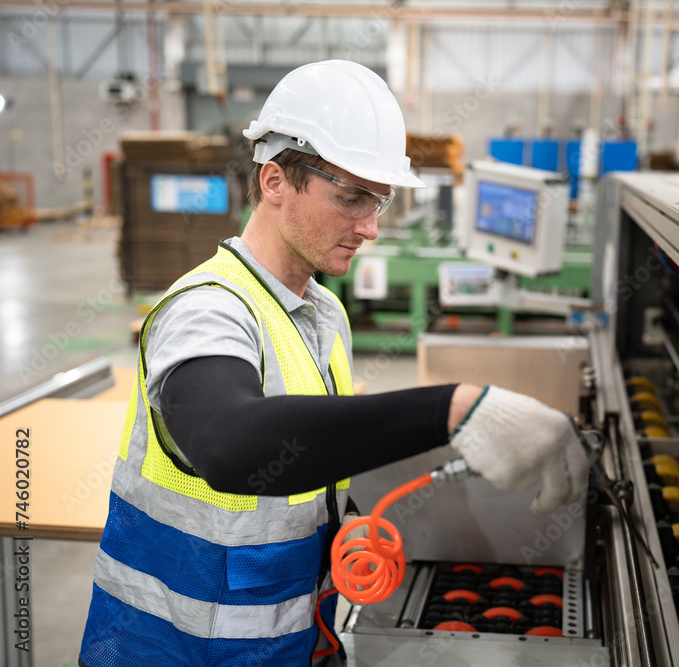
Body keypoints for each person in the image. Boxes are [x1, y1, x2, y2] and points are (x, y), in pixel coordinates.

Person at [78, 60, 589, 667]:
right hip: (167, 650)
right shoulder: (205, 310)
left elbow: (305, 455)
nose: (370, 227)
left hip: (286, 639)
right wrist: (451, 409)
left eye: (379, 201)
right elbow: (232, 444)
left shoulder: (322, 313)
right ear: (274, 181)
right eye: (350, 199)